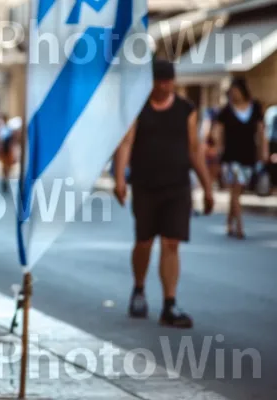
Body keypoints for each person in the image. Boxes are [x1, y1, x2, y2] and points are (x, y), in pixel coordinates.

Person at [114, 59, 214, 329]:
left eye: (168, 81)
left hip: (177, 186)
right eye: (159, 81)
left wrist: (207, 187)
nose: (163, 86)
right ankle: (138, 289)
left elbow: (195, 150)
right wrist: (119, 178)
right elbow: (126, 143)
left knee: (171, 243)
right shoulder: (139, 107)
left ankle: (169, 303)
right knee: (144, 241)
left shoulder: (185, 110)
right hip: (145, 185)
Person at [213, 78, 268, 239]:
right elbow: (218, 132)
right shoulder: (226, 111)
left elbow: (261, 132)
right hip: (231, 156)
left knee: (237, 191)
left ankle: (229, 222)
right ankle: (239, 226)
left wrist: (262, 152)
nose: (234, 94)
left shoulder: (255, 108)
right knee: (235, 190)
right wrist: (218, 149)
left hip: (248, 155)